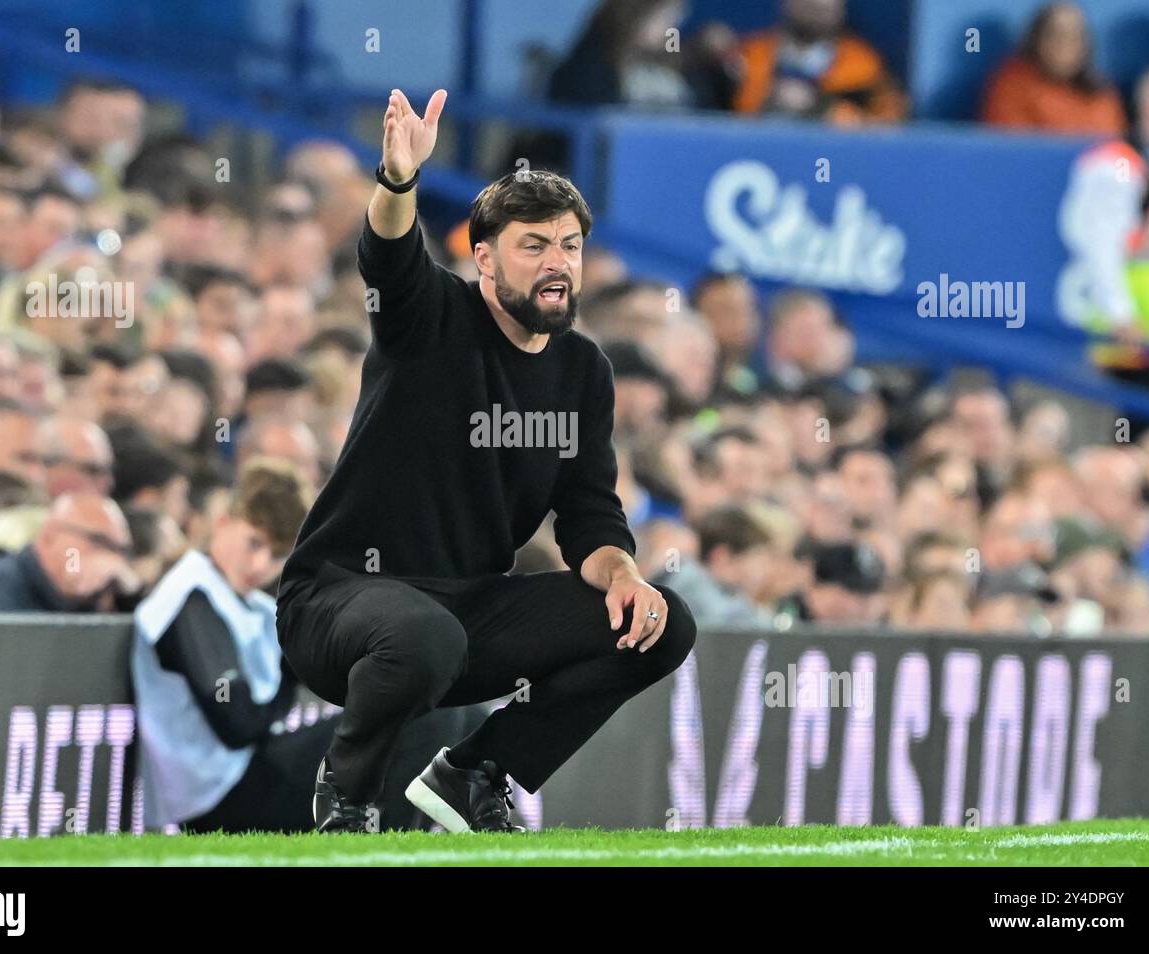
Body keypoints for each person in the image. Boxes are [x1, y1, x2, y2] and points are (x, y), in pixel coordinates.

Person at [275, 89, 696, 834]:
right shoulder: (433, 317)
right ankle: (347, 800)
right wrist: (399, 180)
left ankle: (476, 775)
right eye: (533, 245)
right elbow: (389, 258)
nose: (556, 262)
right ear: (484, 258)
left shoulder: (584, 372)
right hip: (339, 599)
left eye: (568, 244)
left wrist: (625, 576)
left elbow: (589, 512)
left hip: (469, 609)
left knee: (663, 623)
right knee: (422, 634)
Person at [133, 459, 484, 833]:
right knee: (424, 719)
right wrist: (291, 674)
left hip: (249, 773)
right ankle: (385, 848)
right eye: (254, 542)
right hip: (217, 797)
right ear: (223, 521)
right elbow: (237, 723)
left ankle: (467, 830)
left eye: (277, 555)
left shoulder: (243, 599)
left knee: (465, 713)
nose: (260, 564)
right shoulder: (191, 594)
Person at [1058, 62, 1149, 363]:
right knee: (1139, 409)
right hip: (1137, 335)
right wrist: (1120, 315)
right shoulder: (1116, 166)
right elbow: (1101, 244)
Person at [0, 491, 138, 611]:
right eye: (98, 541)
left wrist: (131, 599)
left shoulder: (103, 601)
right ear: (49, 536)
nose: (110, 560)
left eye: (121, 551)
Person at [729, 0, 906, 125]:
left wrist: (818, 106)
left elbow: (888, 126)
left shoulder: (864, 64)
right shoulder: (752, 53)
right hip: (756, 153)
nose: (819, 4)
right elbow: (732, 113)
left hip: (832, 160)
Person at [981, 3, 1125, 137]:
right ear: (1036, 39)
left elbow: (1110, 147)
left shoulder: (1100, 93)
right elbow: (1013, 149)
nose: (1064, 45)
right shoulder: (1011, 87)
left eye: (1075, 37)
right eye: (1055, 35)